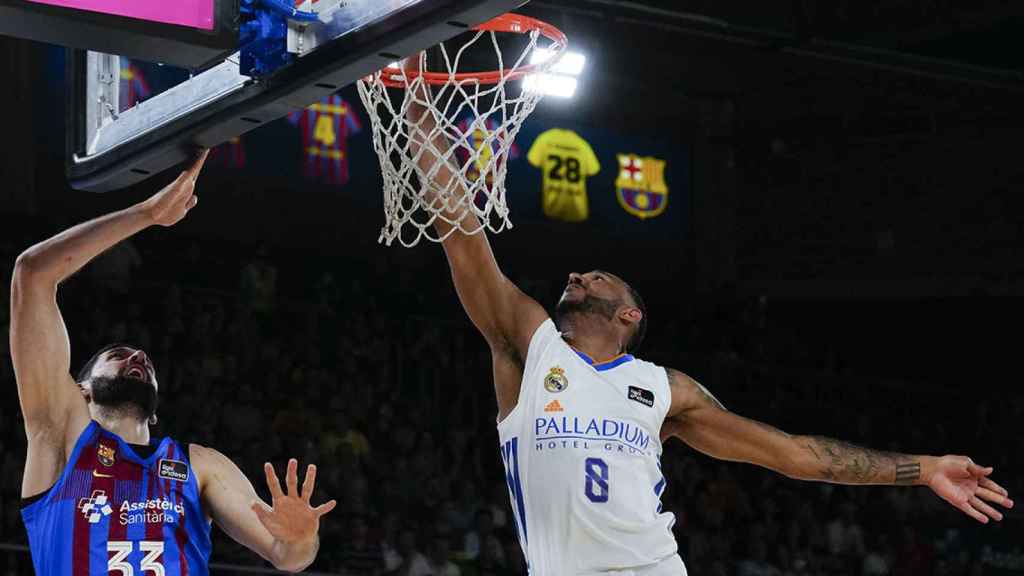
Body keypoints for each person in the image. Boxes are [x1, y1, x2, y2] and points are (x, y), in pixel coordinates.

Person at [401, 55, 1015, 575]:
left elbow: (795, 455)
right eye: (578, 275)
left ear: (629, 315)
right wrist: (417, 105)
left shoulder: (666, 390)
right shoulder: (530, 348)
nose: (575, 276)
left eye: (597, 277)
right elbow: (461, 232)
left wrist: (922, 470)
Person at [11, 151, 336, 575]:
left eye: (143, 359)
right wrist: (146, 214)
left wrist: (300, 538)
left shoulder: (200, 466)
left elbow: (286, 556)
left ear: (157, 406)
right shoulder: (59, 435)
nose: (138, 357)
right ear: (81, 389)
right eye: (116, 356)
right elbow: (32, 274)